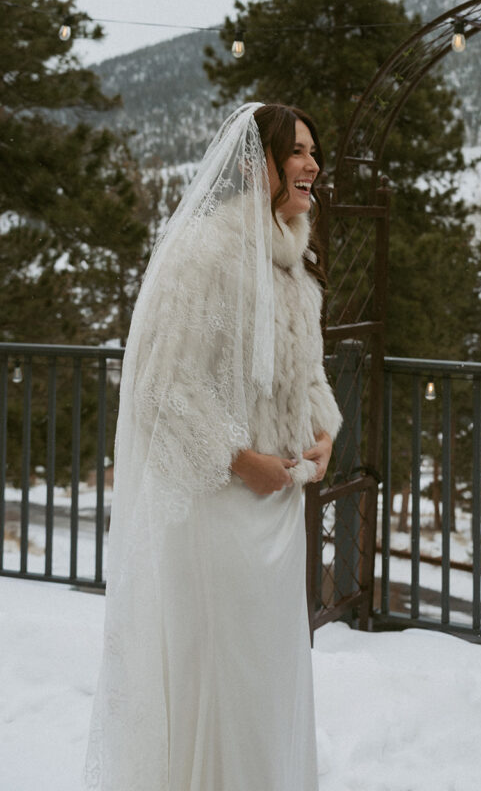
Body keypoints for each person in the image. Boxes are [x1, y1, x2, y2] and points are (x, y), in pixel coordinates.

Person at [85, 102, 342, 791]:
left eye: (315, 152)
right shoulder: (205, 252)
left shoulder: (294, 266)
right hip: (219, 508)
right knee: (224, 680)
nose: (313, 164)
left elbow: (306, 370)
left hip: (279, 507)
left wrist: (321, 432)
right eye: (298, 151)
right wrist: (240, 460)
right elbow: (161, 386)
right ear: (259, 164)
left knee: (267, 681)